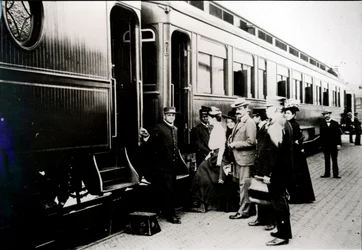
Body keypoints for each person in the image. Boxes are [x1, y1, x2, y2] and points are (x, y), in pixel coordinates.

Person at [140, 107, 185, 224]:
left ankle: (165, 211)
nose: (171, 117)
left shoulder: (175, 129)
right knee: (168, 191)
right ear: (164, 116)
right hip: (163, 166)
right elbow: (151, 146)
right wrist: (146, 138)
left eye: (173, 115)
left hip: (172, 165)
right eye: (169, 115)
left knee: (171, 189)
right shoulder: (159, 128)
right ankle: (171, 215)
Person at [262, 97, 293, 246]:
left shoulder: (276, 126)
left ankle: (282, 235)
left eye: (268, 108)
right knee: (281, 200)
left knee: (278, 201)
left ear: (275, 109)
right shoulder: (284, 123)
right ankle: (284, 231)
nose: (265, 110)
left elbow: (274, 154)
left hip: (277, 171)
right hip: (283, 170)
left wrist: (268, 174)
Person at [190, 106, 226, 213]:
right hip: (213, 156)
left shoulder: (218, 128)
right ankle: (203, 203)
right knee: (202, 177)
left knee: (201, 176)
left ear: (214, 118)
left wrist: (218, 160)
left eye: (209, 118)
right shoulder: (217, 127)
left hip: (215, 157)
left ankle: (202, 204)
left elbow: (221, 146)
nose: (208, 120)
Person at [228, 98, 257, 220]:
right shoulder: (240, 121)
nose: (238, 111)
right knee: (242, 185)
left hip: (245, 159)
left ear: (246, 109)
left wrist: (235, 144)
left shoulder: (249, 123)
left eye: (240, 109)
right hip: (240, 158)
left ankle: (244, 211)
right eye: (237, 109)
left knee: (244, 185)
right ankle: (247, 209)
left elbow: (251, 142)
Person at [248, 108, 275, 231]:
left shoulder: (267, 129)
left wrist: (267, 169)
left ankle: (271, 221)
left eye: (254, 116)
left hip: (265, 165)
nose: (253, 119)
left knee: (267, 193)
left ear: (259, 117)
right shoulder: (261, 128)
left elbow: (268, 150)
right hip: (259, 164)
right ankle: (261, 218)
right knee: (259, 192)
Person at [283, 100, 315, 204]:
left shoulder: (294, 125)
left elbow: (297, 140)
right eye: (285, 113)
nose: (286, 115)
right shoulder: (289, 124)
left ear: (293, 114)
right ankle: (298, 196)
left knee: (296, 176)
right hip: (295, 153)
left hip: (295, 155)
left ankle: (297, 198)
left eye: (288, 113)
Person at [320, 109, 342, 179]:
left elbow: (338, 135)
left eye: (327, 114)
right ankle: (327, 174)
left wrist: (338, 144)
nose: (326, 115)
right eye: (325, 114)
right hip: (326, 145)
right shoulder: (322, 124)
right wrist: (322, 145)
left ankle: (336, 174)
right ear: (324, 116)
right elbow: (321, 135)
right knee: (326, 159)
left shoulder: (335, 123)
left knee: (334, 159)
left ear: (330, 114)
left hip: (334, 144)